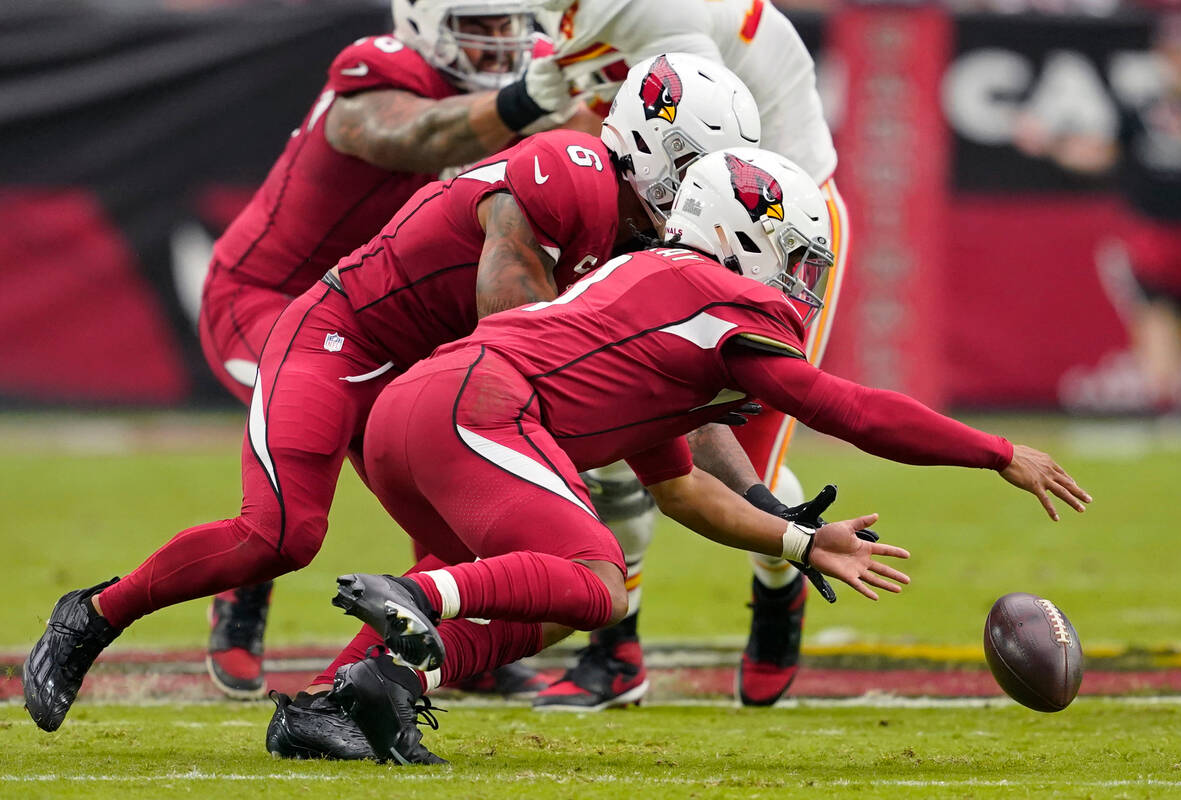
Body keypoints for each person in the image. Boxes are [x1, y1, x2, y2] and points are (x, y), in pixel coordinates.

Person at [21, 54, 764, 737]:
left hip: (428, 378)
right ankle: (90, 617)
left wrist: (767, 505)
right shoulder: (566, 168)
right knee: (281, 533)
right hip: (346, 339)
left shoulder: (643, 252)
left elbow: (658, 408)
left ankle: (331, 701)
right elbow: (519, 339)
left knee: (524, 575)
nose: (707, 189)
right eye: (699, 166)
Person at [318, 148, 1089, 764]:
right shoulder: (719, 299)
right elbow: (847, 410)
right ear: (736, 235)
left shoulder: (649, 298)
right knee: (597, 579)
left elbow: (683, 491)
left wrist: (802, 542)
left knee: (553, 604)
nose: (801, 281)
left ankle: (336, 701)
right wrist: (997, 452)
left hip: (418, 412)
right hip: (476, 407)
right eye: (793, 256)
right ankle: (421, 598)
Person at [198, 0, 580, 699]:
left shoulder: (508, 97)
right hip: (266, 299)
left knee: (443, 455)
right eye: (482, 26)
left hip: (377, 312)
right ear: (424, 22)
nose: (500, 43)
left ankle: (451, 627)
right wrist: (531, 101)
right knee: (318, 433)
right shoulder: (376, 71)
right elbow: (418, 137)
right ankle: (242, 591)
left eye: (508, 26)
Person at [528, 0, 851, 709]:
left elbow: (695, 149)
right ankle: (616, 651)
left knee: (745, 479)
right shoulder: (547, 16)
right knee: (611, 432)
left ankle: (780, 586)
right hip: (658, 210)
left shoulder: (658, 11)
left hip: (769, 232)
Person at [1013, 11, 1181, 418]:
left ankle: (1178, 405)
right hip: (1155, 230)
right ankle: (1166, 408)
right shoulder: (1141, 109)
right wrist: (1050, 144)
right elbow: (1101, 153)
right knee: (1157, 314)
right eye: (1175, 52)